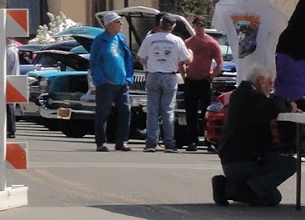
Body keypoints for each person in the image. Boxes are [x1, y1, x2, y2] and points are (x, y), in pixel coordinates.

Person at [213, 71, 298, 207]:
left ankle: (233, 187)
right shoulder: (252, 97)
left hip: (236, 158)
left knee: (274, 198)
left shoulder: (242, 94)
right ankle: (231, 189)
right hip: (242, 160)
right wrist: (290, 106)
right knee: (291, 164)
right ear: (260, 80)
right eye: (269, 83)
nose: (271, 87)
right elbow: (274, 106)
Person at [137, 14, 191, 151]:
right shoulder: (177, 40)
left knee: (152, 111)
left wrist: (152, 62)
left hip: (153, 75)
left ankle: (151, 142)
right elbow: (187, 60)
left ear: (160, 25)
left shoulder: (150, 39)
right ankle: (169, 143)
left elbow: (141, 58)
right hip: (170, 77)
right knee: (167, 111)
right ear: (173, 27)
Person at [90, 11, 134, 152]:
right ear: (108, 25)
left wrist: (128, 76)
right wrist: (102, 79)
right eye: (117, 21)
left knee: (125, 110)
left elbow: (126, 57)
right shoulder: (100, 40)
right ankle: (100, 142)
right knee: (103, 112)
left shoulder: (121, 38)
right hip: (106, 83)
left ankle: (122, 141)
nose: (121, 24)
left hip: (122, 83)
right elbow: (94, 63)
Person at [182, 16, 223, 149]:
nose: (199, 28)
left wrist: (212, 75)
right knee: (190, 112)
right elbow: (180, 61)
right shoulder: (188, 42)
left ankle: (208, 141)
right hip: (190, 80)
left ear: (205, 26)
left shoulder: (211, 43)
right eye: (196, 25)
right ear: (193, 26)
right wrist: (184, 75)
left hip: (204, 81)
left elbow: (219, 62)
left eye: (201, 25)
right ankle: (192, 141)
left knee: (206, 112)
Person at [5, 37, 21, 138]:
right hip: (12, 78)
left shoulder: (9, 52)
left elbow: (5, 67)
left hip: (8, 79)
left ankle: (10, 130)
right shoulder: (13, 51)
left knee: (9, 106)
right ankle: (10, 130)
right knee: (9, 105)